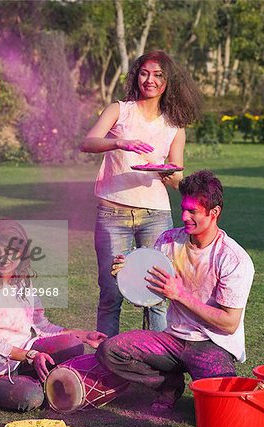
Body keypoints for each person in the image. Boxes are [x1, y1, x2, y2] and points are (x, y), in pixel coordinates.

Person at [96, 170, 255, 412]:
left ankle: (205, 387)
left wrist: (180, 294)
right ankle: (169, 383)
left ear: (214, 213)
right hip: (173, 339)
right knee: (111, 351)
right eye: (183, 208)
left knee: (221, 409)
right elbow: (149, 294)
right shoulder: (168, 241)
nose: (184, 216)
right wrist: (127, 271)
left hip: (212, 343)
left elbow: (229, 324)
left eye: (193, 211)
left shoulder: (233, 259)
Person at [81, 50, 202, 337]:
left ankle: (157, 365)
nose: (150, 80)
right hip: (113, 212)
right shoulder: (119, 110)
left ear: (167, 81)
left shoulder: (174, 125)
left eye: (158, 75)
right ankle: (106, 364)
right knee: (111, 294)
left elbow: (177, 178)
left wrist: (167, 172)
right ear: (136, 75)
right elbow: (88, 143)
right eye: (145, 72)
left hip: (155, 214)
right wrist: (120, 143)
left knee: (157, 296)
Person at [0, 219, 107, 411]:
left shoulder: (22, 281)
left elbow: (41, 326)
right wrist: (30, 356)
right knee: (31, 396)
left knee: (72, 343)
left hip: (23, 358)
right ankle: (42, 386)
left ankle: (43, 380)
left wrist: (83, 335)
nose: (4, 258)